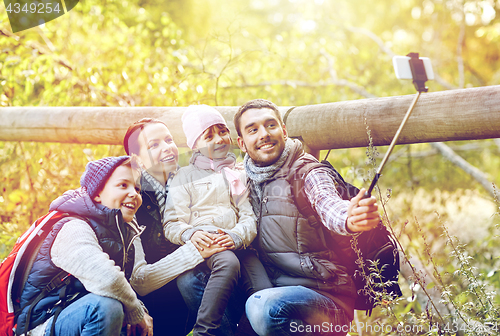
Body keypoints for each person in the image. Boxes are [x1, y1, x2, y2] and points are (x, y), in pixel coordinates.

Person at [234, 99, 381, 336]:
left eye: (271, 125)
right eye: (253, 129)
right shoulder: (242, 180)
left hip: (324, 299)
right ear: (242, 143)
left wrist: (350, 218)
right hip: (270, 290)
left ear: (284, 130)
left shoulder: (308, 172)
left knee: (263, 307)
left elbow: (329, 205)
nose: (264, 134)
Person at [163, 105, 271, 336]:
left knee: (264, 292)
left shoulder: (238, 173)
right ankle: (205, 330)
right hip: (207, 244)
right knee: (228, 263)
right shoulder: (184, 176)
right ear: (195, 145)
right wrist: (190, 234)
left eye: (222, 131)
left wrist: (236, 236)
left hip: (238, 243)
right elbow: (172, 222)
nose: (219, 139)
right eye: (208, 135)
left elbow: (248, 214)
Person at [15, 156, 154, 336]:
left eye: (137, 188)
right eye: (123, 185)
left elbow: (121, 283)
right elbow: (108, 279)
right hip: (42, 324)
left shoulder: (120, 231)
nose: (134, 193)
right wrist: (136, 312)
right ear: (97, 193)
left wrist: (140, 310)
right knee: (107, 307)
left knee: (126, 313)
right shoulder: (73, 228)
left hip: (74, 313)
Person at [123, 118, 227, 335]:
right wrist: (195, 249)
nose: (167, 147)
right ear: (137, 160)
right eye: (154, 145)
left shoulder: (193, 181)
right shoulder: (131, 200)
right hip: (151, 299)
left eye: (169, 139)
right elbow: (137, 279)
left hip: (195, 283)